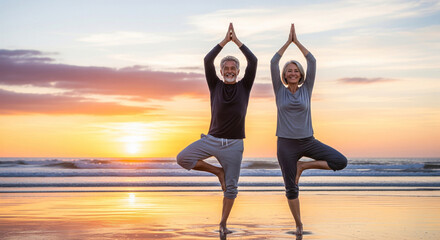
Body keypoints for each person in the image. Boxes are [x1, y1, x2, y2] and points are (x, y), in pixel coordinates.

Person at [177, 23, 257, 239]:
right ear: (221, 72)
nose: (230, 71)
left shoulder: (245, 86)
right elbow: (206, 60)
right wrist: (224, 41)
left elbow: (254, 61)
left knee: (231, 188)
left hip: (234, 144)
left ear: (238, 72)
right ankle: (217, 171)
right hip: (211, 140)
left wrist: (237, 42)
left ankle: (223, 224)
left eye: (233, 68)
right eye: (226, 68)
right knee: (183, 158)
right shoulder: (215, 85)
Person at [270, 24, 347, 237]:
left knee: (341, 162)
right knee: (291, 188)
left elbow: (312, 61)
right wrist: (287, 43)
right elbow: (273, 62)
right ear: (284, 75)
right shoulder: (279, 90)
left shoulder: (307, 89)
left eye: (296, 70)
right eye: (289, 70)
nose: (293, 73)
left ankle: (303, 166)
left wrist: (297, 42)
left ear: (301, 74)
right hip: (285, 144)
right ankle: (299, 225)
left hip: (308, 141)